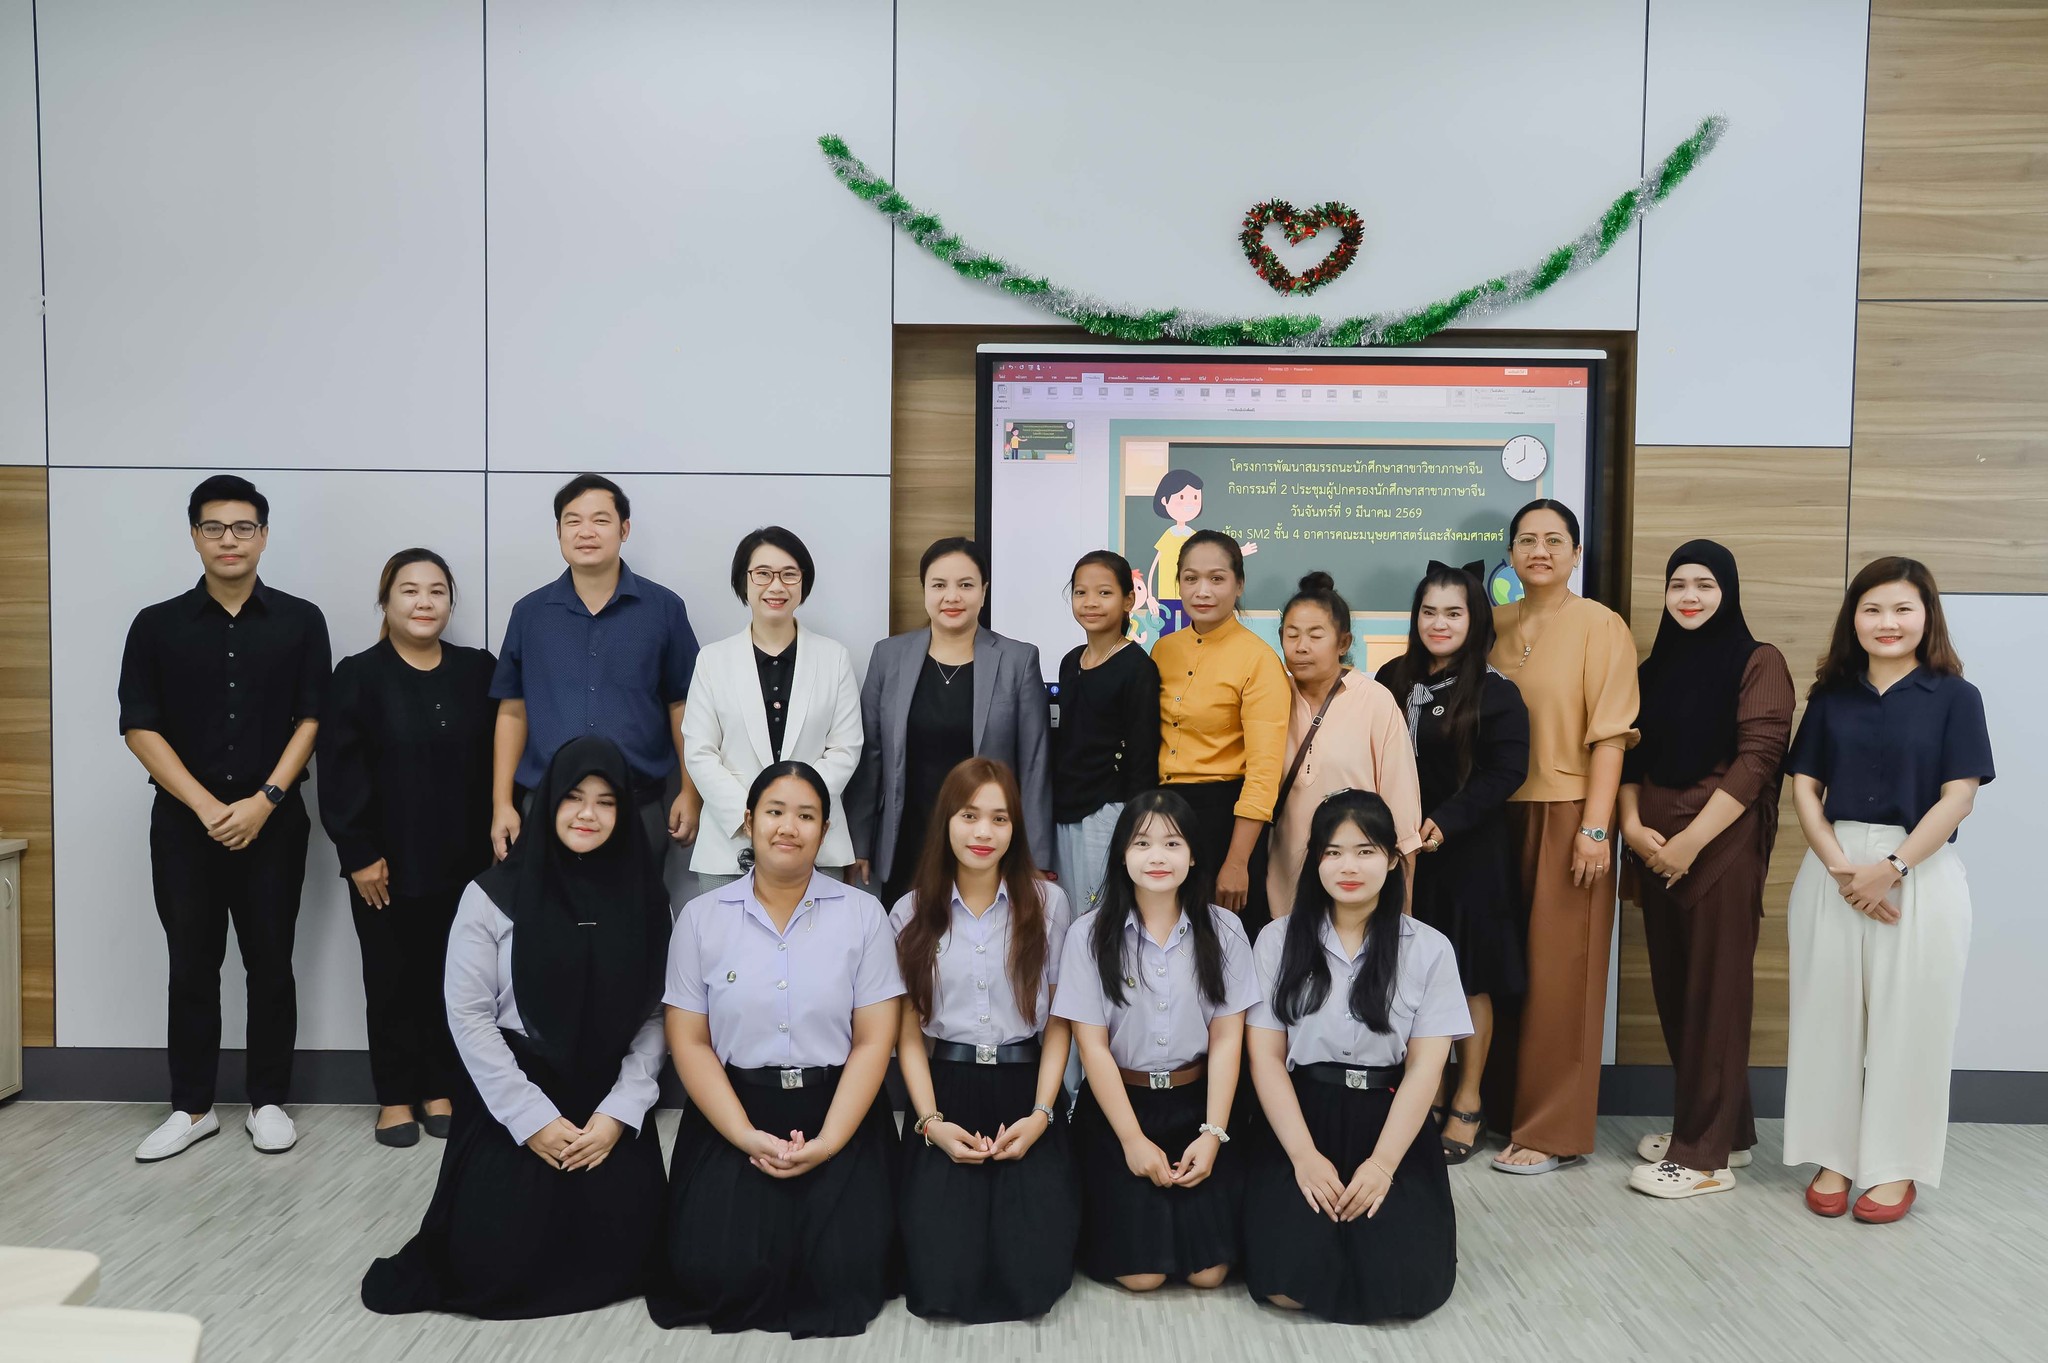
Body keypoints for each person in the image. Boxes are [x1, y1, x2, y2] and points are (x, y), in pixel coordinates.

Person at [360, 737, 671, 1318]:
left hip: (606, 1098)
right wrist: (532, 1121)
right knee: (493, 1266)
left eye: (606, 802)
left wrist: (619, 1114)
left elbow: (657, 1017)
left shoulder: (649, 899)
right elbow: (470, 1018)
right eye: (574, 797)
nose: (587, 814)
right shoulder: (491, 896)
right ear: (547, 802)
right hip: (516, 1093)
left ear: (624, 812)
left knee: (638, 1253)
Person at [650, 762, 904, 1337]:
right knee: (716, 1271)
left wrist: (831, 1141)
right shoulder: (700, 919)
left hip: (836, 1110)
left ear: (825, 829)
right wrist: (742, 1134)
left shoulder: (863, 917)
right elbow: (688, 1042)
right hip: (736, 1111)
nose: (789, 827)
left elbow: (872, 1042)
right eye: (775, 811)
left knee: (845, 1272)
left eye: (806, 815)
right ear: (747, 822)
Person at [120, 475, 331, 1163]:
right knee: (191, 965)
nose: (230, 539)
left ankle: (268, 1101)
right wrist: (210, 806)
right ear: (194, 535)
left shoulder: (302, 620)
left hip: (273, 821)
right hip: (187, 825)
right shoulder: (156, 625)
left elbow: (313, 718)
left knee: (271, 963)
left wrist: (265, 800)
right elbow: (139, 726)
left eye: (243, 527)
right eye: (215, 527)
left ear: (264, 535)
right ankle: (192, 1107)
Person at [1783, 557, 1993, 1224]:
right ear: (1854, 618)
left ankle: (1894, 1163)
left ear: (1927, 614)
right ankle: (1833, 1154)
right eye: (1872, 609)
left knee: (1914, 1023)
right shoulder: (1831, 694)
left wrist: (1892, 867)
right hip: (1833, 867)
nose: (1887, 622)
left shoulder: (1957, 697)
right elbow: (1804, 791)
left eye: (1902, 608)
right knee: (1828, 1017)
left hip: (1922, 874)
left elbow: (1959, 797)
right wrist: (1845, 868)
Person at [1242, 789, 1470, 1322]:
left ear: (1393, 860)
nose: (1349, 866)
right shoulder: (1277, 941)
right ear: (1315, 860)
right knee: (1285, 1283)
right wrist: (1302, 1156)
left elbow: (1425, 1070)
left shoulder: (1429, 949)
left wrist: (1384, 1165)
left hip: (1389, 1117)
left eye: (1366, 851)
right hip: (1303, 1113)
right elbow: (1267, 1060)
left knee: (1405, 1290)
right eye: (1333, 851)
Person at [1616, 541, 1794, 1199]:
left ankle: (1702, 1158)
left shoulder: (1759, 661)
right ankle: (1728, 1131)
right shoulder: (1652, 667)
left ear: (1729, 592)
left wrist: (1688, 842)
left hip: (1717, 850)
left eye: (1705, 584)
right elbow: (1631, 760)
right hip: (1656, 852)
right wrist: (1635, 830)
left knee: (1716, 997)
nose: (1689, 596)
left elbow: (1757, 761)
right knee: (1679, 991)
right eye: (1678, 584)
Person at [319, 549, 497, 1147]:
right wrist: (359, 853)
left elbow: (500, 760)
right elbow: (339, 773)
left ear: (451, 602)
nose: (424, 602)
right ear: (386, 601)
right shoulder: (358, 674)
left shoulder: (479, 670)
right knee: (391, 978)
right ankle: (395, 1095)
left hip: (467, 862)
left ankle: (440, 1085)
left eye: (437, 591)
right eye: (410, 591)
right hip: (384, 864)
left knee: (455, 979)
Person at [891, 757, 1079, 1323]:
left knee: (1032, 1277)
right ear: (945, 821)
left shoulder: (1049, 905)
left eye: (999, 819)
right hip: (945, 1090)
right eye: (969, 815)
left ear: (1015, 828)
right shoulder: (909, 911)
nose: (983, 833)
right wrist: (930, 1122)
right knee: (940, 1276)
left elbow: (1059, 1024)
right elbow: (905, 1035)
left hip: (1028, 1089)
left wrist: (1043, 1113)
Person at [1485, 500, 1639, 1174]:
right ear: (1511, 554)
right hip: (1495, 816)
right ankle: (1498, 1111)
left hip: (1570, 811)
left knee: (1561, 976)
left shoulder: (1601, 626)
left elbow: (1612, 735)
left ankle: (1552, 1131)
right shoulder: (1492, 624)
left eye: (1554, 540)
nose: (1539, 550)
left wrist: (1596, 828)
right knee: (1504, 972)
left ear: (1576, 553)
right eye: (1526, 539)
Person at [1053, 789, 1258, 1293]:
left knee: (1208, 1274)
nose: (1158, 857)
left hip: (1198, 1103)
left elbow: (1229, 1040)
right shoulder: (1087, 935)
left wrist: (1213, 1133)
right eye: (1143, 844)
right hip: (1120, 1106)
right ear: (1122, 855)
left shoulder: (1226, 930)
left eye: (1173, 843)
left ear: (1193, 856)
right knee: (1141, 1276)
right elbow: (1092, 1047)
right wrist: (1131, 1140)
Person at [1376, 561, 1530, 1164]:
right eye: (1429, 612)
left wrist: (1449, 821)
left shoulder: (1496, 692)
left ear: (1476, 619)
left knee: (1469, 978)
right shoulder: (1389, 678)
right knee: (1407, 977)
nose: (1439, 624)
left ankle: (1467, 1099)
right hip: (1400, 857)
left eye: (1453, 612)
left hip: (1468, 856)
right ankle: (1428, 1092)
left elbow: (1507, 773)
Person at [489, 474, 700, 881]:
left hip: (639, 806)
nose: (586, 532)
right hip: (547, 805)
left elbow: (684, 705)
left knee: (636, 932)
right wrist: (502, 803)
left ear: (624, 529)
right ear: (558, 531)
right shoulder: (530, 613)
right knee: (547, 929)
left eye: (601, 520)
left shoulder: (664, 609)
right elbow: (512, 709)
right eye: (573, 521)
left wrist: (690, 794)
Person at [847, 537, 1052, 908]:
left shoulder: (1018, 660)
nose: (952, 597)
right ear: (924, 590)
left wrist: (1037, 858)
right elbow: (870, 757)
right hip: (908, 836)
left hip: (985, 840)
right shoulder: (888, 656)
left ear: (984, 591)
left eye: (966, 585)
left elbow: (1035, 765)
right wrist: (859, 843)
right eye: (939, 585)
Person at [684, 527, 863, 888]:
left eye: (789, 574)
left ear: (803, 583)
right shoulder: (713, 660)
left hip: (815, 846)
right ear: (744, 582)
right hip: (730, 843)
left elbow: (845, 750)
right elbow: (700, 753)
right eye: (763, 574)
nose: (776, 586)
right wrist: (752, 818)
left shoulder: (834, 658)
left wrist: (797, 815)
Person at [1264, 572, 1422, 930]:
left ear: (1343, 641)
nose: (1301, 646)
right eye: (1291, 635)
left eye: (1315, 635)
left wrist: (1404, 903)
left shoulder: (1374, 701)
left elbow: (1402, 804)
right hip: (1283, 884)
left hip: (1360, 886)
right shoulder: (1270, 696)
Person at [1153, 530, 1289, 915]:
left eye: (1217, 578)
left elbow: (1264, 773)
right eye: (1191, 578)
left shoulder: (1258, 659)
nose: (1202, 591)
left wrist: (1237, 861)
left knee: (1223, 951)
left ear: (1239, 584)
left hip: (1223, 818)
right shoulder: (1163, 649)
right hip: (1163, 813)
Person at [1052, 549, 1160, 912]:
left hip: (1109, 810)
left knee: (1099, 915)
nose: (1090, 602)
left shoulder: (1137, 667)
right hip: (1064, 807)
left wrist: (1139, 827)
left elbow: (1143, 754)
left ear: (1129, 600)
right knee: (1065, 913)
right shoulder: (1070, 662)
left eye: (1104, 592)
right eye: (1081, 592)